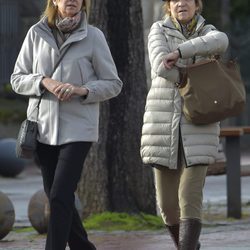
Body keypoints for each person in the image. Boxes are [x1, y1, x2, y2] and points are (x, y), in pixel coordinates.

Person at [11, 0, 122, 249]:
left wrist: (83, 90)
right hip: (43, 129)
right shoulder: (36, 33)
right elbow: (17, 79)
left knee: (60, 195)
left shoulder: (94, 37)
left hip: (78, 129)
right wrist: (43, 82)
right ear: (54, 1)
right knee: (59, 198)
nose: (71, 0)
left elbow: (113, 83)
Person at [140, 0, 228, 249]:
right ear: (169, 5)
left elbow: (221, 41)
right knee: (167, 207)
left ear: (196, 5)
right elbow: (160, 66)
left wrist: (179, 53)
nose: (181, 3)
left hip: (200, 126)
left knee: (189, 199)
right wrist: (197, 78)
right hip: (161, 127)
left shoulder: (208, 30)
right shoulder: (158, 29)